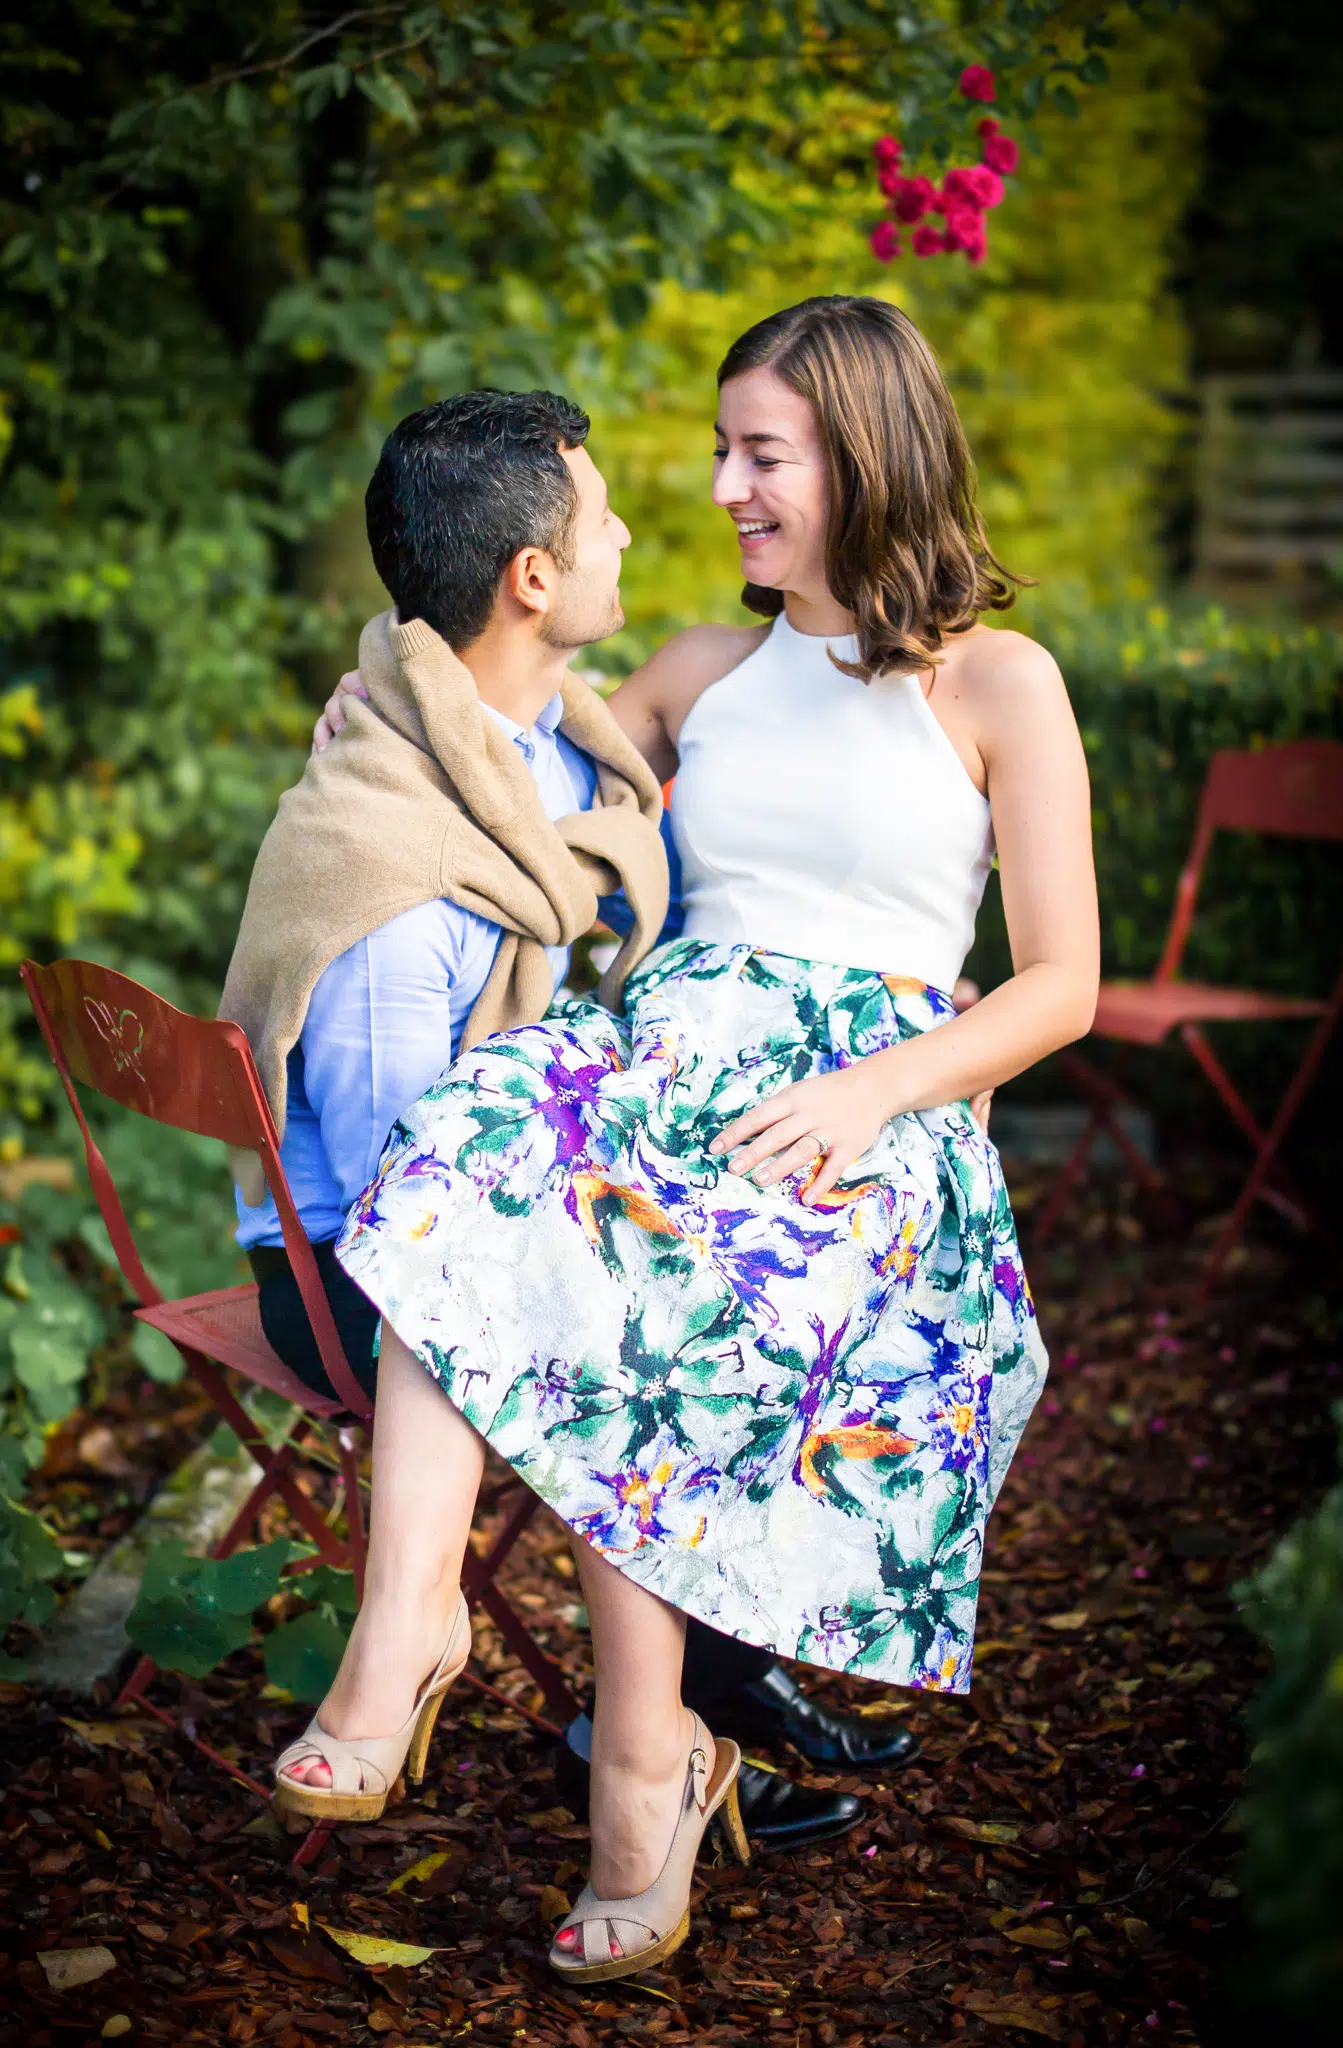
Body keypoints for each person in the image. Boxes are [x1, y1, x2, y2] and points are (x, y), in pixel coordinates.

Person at [282, 295, 1098, 1983]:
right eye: (724, 448)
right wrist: (371, 730)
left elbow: (1066, 986)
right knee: (477, 1143)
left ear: (868, 458)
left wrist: (877, 1092)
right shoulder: (698, 674)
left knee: (657, 1288)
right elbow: (496, 777)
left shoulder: (998, 684)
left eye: (762, 453)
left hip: (862, 1110)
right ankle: (420, 1632)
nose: (724, 486)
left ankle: (645, 1766)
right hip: (662, 1073)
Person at [228, 387, 900, 1854]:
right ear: (533, 578)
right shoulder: (391, 880)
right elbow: (417, 1214)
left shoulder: (544, 761)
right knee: (681, 1318)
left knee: (775, 1265)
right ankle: (660, 1740)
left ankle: (672, 1722)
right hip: (358, 1285)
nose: (632, 533)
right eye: (601, 521)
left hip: (476, 1221)